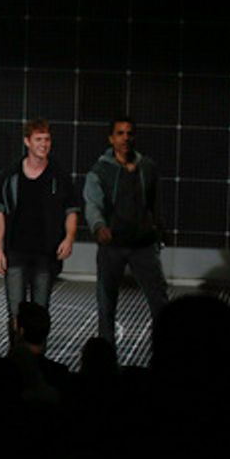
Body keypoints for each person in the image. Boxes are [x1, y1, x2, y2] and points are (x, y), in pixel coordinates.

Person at [83, 116, 169, 347]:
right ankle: (107, 356)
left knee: (159, 299)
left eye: (129, 133)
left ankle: (165, 350)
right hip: (113, 245)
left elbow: (156, 203)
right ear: (111, 138)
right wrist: (99, 226)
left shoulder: (147, 167)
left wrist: (159, 230)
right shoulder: (100, 170)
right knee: (106, 302)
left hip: (143, 244)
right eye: (120, 133)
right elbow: (92, 203)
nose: (125, 138)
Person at [0, 118, 78, 334]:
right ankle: (15, 358)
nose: (44, 144)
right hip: (16, 251)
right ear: (27, 142)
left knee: (41, 312)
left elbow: (72, 210)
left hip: (45, 253)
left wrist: (69, 238)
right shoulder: (11, 174)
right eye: (38, 139)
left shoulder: (59, 175)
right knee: (14, 312)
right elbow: (1, 211)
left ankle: (37, 358)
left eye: (47, 139)